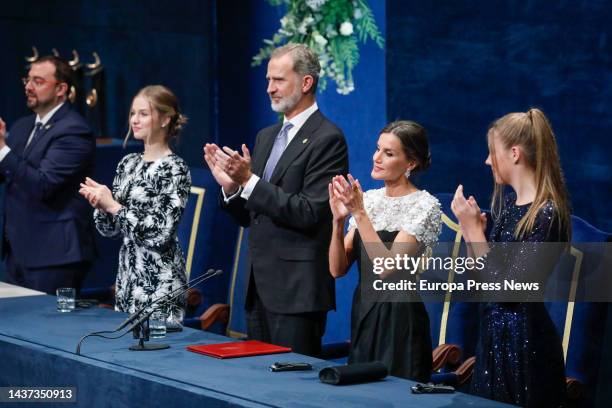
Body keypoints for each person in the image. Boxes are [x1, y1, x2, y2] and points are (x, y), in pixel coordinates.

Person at [203, 43, 349, 357]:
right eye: (268, 80)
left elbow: (309, 212)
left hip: (298, 292)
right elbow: (252, 215)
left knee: (292, 392)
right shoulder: (266, 136)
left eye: (279, 80)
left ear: (306, 82)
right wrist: (232, 189)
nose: (269, 88)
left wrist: (249, 181)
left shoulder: (328, 138)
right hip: (259, 290)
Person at [451, 108, 570, 407]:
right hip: (493, 341)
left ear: (514, 153)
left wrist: (475, 234)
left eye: (492, 152)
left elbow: (509, 292)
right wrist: (471, 234)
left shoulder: (546, 214)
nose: (487, 161)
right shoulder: (508, 207)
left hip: (525, 348)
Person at [328, 120, 441, 381]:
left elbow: (387, 269)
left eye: (388, 153)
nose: (376, 158)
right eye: (378, 149)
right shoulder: (368, 200)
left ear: (410, 163)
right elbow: (337, 269)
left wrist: (359, 212)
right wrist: (338, 222)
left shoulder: (424, 206)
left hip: (401, 321)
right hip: (364, 315)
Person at [79, 85, 190, 326]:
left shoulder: (175, 168)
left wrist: (114, 206)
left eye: (143, 114)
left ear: (165, 119)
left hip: (160, 281)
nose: (134, 120)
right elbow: (110, 230)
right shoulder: (128, 163)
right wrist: (101, 205)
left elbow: (160, 234)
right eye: (132, 114)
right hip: (128, 276)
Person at [0, 56, 96, 294]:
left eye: (38, 81)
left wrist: (2, 149)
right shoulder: (23, 126)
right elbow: (8, 173)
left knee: (45, 329)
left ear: (61, 89)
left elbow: (43, 184)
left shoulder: (74, 131)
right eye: (27, 79)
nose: (28, 87)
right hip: (17, 252)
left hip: (54, 257)